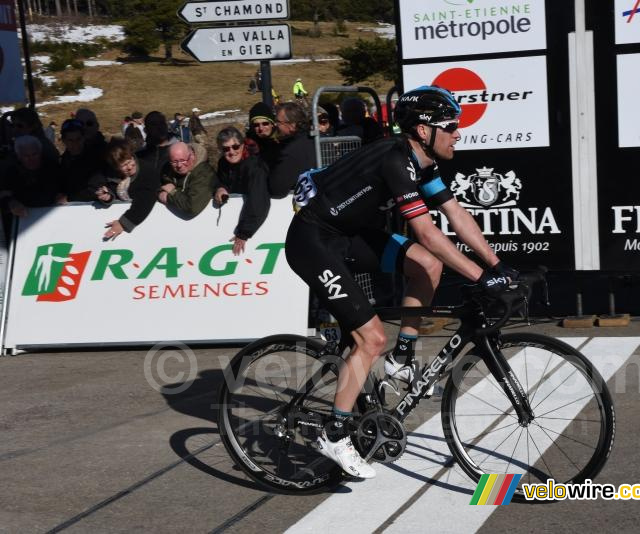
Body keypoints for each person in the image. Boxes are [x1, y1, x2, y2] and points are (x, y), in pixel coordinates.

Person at [284, 86, 516, 478]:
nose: (458, 133)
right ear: (424, 131)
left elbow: (456, 215)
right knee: (371, 337)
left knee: (426, 266)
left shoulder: (422, 163)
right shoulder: (396, 161)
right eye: (451, 126)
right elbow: (427, 233)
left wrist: (496, 266)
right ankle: (335, 433)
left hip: (349, 235)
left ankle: (402, 357)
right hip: (314, 241)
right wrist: (480, 277)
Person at [215, 127, 271, 255]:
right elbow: (219, 181)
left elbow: (258, 202)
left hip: (252, 227)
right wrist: (220, 188)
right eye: (226, 149)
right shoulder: (223, 163)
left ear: (242, 145)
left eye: (235, 147)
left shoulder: (254, 167)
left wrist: (243, 233)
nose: (231, 152)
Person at [99, 136, 161, 240]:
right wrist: (108, 197)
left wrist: (124, 223)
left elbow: (145, 201)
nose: (129, 167)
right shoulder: (111, 175)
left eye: (130, 161)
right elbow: (111, 190)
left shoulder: (148, 172)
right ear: (116, 167)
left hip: (146, 225)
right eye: (123, 165)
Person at [0, 135, 59, 218]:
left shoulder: (53, 168)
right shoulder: (12, 172)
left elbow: (65, 188)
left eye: (34, 154)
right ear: (19, 156)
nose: (31, 159)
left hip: (52, 214)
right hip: (24, 218)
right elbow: (3, 196)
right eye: (26, 156)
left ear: (40, 152)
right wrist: (10, 203)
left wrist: (62, 195)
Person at [158, 142, 215, 217]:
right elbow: (157, 187)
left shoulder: (204, 173)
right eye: (174, 161)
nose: (179, 165)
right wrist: (160, 193)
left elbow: (191, 207)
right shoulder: (167, 169)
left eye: (182, 160)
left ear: (192, 156)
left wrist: (172, 193)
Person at [270, 102, 315, 198]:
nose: (275, 125)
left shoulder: (291, 151)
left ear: (292, 125)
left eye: (278, 122)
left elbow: (277, 190)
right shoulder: (314, 139)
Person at [57, 118, 101, 203]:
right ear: (64, 141)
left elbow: (97, 188)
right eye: (70, 140)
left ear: (84, 138)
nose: (75, 144)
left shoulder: (95, 158)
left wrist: (69, 197)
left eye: (78, 139)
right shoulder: (62, 161)